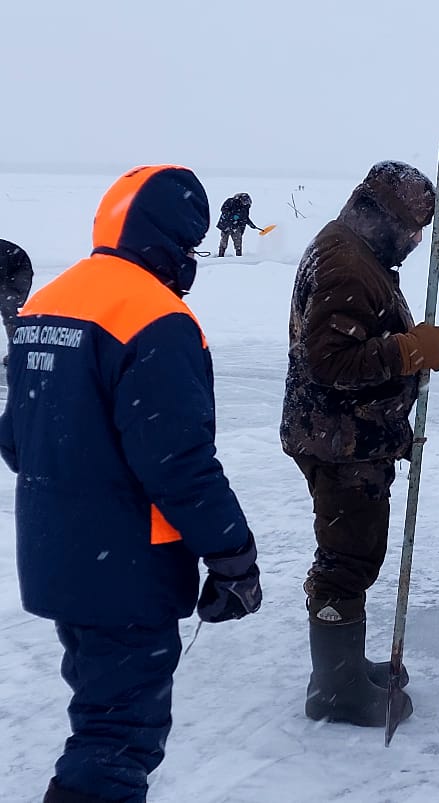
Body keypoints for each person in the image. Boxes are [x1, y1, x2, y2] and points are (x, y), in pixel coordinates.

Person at [0, 165, 262, 803]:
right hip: (127, 568)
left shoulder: (49, 302)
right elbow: (178, 461)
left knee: (101, 711)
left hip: (58, 556)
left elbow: (15, 440)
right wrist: (233, 555)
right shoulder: (156, 317)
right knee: (118, 738)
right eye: (190, 243)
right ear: (170, 238)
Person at [280, 161, 439, 728]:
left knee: (355, 552)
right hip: (339, 442)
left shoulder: (356, 252)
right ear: (380, 216)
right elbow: (328, 363)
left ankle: (342, 665)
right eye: (411, 229)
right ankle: (336, 690)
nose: (416, 242)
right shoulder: (346, 265)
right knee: (346, 561)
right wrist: (408, 352)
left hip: (349, 437)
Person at [0, 238, 33, 348]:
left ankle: (16, 348)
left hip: (20, 270)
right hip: (8, 271)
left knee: (8, 306)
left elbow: (2, 277)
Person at [217, 192, 259, 256]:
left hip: (236, 226)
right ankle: (220, 256)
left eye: (247, 202)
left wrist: (251, 224)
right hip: (226, 225)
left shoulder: (246, 207)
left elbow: (245, 217)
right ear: (240, 199)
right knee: (224, 241)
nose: (245, 203)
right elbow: (223, 210)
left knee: (238, 242)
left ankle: (239, 257)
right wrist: (233, 216)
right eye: (244, 201)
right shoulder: (230, 201)